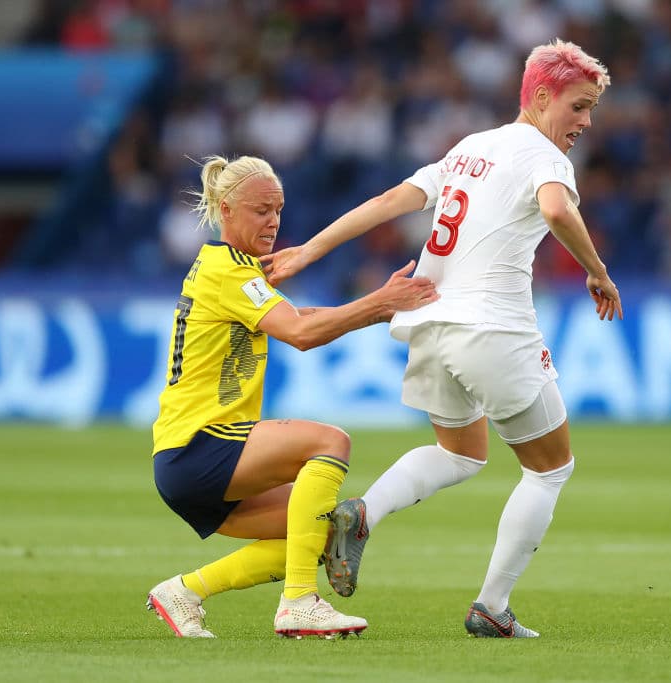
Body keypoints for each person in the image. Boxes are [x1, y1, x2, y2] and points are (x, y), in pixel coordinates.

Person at [262, 39, 622, 638]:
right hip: (492, 328)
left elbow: (388, 201)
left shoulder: (469, 148)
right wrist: (597, 270)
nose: (586, 122)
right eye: (579, 107)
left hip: (427, 320)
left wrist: (311, 248)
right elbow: (557, 211)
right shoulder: (544, 156)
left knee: (461, 453)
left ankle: (363, 512)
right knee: (550, 469)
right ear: (540, 96)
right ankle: (491, 607)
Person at [145, 154, 438, 639]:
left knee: (317, 529)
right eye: (261, 209)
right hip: (201, 444)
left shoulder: (231, 269)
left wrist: (374, 307)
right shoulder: (230, 272)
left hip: (188, 455)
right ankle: (299, 602)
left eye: (278, 209)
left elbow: (301, 313)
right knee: (329, 441)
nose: (273, 220)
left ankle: (184, 592)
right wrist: (378, 303)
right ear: (225, 208)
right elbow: (301, 333)